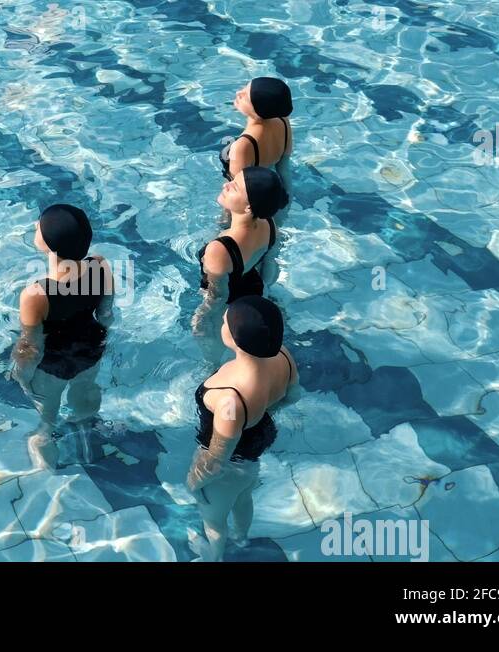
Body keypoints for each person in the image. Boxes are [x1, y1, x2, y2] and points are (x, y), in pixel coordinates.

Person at [186, 295, 298, 561]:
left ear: (236, 339)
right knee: (243, 497)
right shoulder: (283, 355)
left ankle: (213, 557)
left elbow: (217, 457)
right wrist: (263, 411)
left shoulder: (230, 398)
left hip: (230, 462)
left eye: (225, 321)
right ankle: (241, 537)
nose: (222, 320)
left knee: (213, 518)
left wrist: (194, 481)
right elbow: (293, 396)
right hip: (255, 446)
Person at [12, 204, 114, 470]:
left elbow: (29, 346)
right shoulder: (101, 266)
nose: (36, 226)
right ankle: (86, 425)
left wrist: (21, 375)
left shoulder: (36, 295)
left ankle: (44, 438)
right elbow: (106, 314)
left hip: (53, 364)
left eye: (40, 226)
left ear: (49, 244)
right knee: (86, 392)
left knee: (48, 408)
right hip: (90, 350)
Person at [193, 167, 288, 363]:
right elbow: (269, 265)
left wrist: (201, 318)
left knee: (211, 354)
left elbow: (218, 296)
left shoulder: (219, 250)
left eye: (234, 187)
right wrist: (265, 295)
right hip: (255, 287)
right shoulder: (269, 225)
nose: (225, 185)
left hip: (230, 308)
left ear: (249, 208)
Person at [219, 77, 293, 181]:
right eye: (245, 87)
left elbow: (238, 189)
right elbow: (284, 168)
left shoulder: (242, 146)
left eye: (245, 97)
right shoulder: (283, 121)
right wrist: (289, 195)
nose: (238, 93)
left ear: (257, 110)